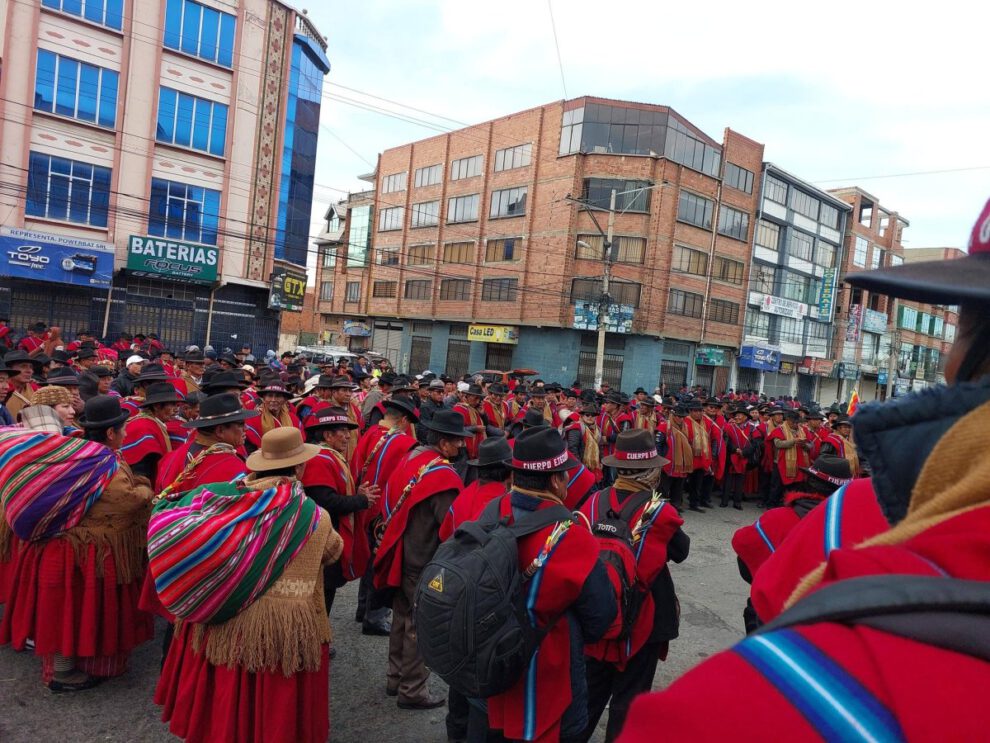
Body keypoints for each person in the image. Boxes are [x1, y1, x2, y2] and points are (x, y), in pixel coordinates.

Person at [617, 197, 990, 742]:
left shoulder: (864, 512)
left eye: (959, 331)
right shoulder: (863, 501)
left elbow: (763, 582)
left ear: (968, 356)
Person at [152, 426, 343, 743]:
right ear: (298, 467)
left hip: (225, 613)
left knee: (228, 694)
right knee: (272, 707)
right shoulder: (312, 515)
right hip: (281, 627)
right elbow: (333, 551)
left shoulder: (225, 497)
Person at [0, 396, 154, 691]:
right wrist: (146, 488)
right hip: (85, 552)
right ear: (111, 433)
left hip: (61, 548)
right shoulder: (100, 462)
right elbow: (126, 501)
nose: (126, 434)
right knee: (77, 612)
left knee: (64, 612)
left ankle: (67, 669)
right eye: (123, 429)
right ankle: (63, 674)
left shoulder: (79, 451)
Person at [482, 426, 617, 743]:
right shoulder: (571, 536)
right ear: (556, 480)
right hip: (546, 674)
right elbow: (601, 618)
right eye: (565, 474)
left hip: (488, 661)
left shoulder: (490, 511)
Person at [579, 429, 688, 742]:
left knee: (588, 696)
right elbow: (681, 552)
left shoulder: (593, 502)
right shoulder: (660, 511)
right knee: (629, 702)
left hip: (598, 612)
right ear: (651, 471)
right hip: (643, 617)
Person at [373, 409, 465, 710]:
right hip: (423, 556)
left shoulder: (412, 459)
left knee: (401, 615)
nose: (461, 447)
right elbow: (450, 526)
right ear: (443, 443)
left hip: (401, 550)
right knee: (419, 624)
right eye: (456, 442)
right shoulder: (442, 476)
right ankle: (412, 689)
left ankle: (394, 677)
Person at [301, 407, 381, 614]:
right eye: (343, 431)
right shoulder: (319, 459)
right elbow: (326, 501)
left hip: (328, 534)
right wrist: (360, 500)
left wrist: (356, 491)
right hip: (322, 538)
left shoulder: (329, 456)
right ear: (327, 435)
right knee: (322, 593)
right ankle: (317, 641)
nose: (348, 436)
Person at [120, 382, 182, 483]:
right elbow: (142, 473)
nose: (176, 410)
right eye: (172, 404)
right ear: (157, 406)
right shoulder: (144, 429)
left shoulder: (151, 423)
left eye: (177, 405)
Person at [766, 408, 811, 506]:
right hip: (780, 462)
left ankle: (789, 504)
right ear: (788, 420)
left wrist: (804, 445)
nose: (795, 424)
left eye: (797, 422)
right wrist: (794, 441)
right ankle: (772, 504)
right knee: (777, 485)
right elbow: (778, 444)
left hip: (798, 463)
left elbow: (810, 445)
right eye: (793, 422)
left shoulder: (803, 430)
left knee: (794, 486)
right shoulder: (780, 430)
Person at [244, 381, 301, 453]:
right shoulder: (252, 419)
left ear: (285, 400)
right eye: (270, 396)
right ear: (264, 398)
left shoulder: (293, 419)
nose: (273, 400)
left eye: (278, 396)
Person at [655, 405, 693, 511]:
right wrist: (660, 460)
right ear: (673, 415)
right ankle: (660, 509)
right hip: (667, 463)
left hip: (681, 464)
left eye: (682, 417)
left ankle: (675, 507)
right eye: (678, 416)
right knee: (664, 487)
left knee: (678, 488)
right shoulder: (664, 426)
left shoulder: (685, 428)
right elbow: (658, 444)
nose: (681, 419)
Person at [453, 382, 487, 460]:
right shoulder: (459, 408)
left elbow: (486, 425)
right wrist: (475, 428)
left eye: (479, 399)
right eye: (475, 398)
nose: (477, 401)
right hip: (462, 447)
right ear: (467, 396)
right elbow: (456, 429)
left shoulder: (475, 409)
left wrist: (483, 414)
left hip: (477, 444)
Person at [4, 350, 37, 419]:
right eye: (23, 366)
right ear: (9, 369)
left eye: (31, 367)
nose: (29, 371)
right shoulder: (3, 391)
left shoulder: (36, 389)